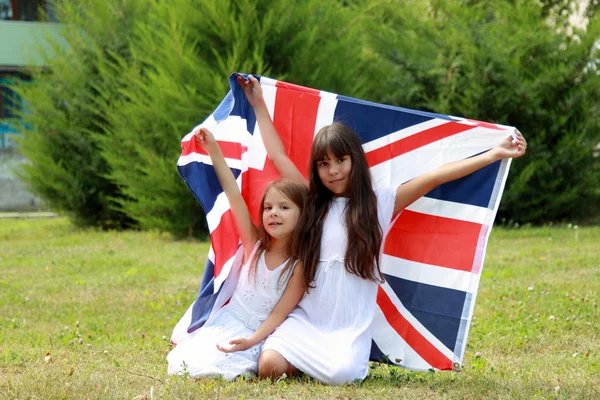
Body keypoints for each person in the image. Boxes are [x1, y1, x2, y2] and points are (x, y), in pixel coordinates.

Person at [237, 74, 527, 384]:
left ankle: (316, 362)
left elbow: (435, 176)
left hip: (347, 327)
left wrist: (494, 153)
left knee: (341, 374)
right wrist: (258, 105)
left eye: (341, 160)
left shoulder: (378, 204)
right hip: (307, 317)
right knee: (267, 365)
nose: (333, 170)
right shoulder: (311, 202)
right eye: (323, 164)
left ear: (355, 161)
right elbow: (278, 155)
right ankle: (292, 357)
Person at [166, 127, 307, 380]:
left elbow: (279, 313)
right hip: (231, 321)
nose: (274, 212)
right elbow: (233, 194)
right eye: (268, 207)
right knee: (195, 362)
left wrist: (252, 340)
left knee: (236, 365)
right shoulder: (255, 245)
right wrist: (215, 151)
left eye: (284, 207)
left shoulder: (298, 265)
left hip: (261, 331)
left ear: (303, 216)